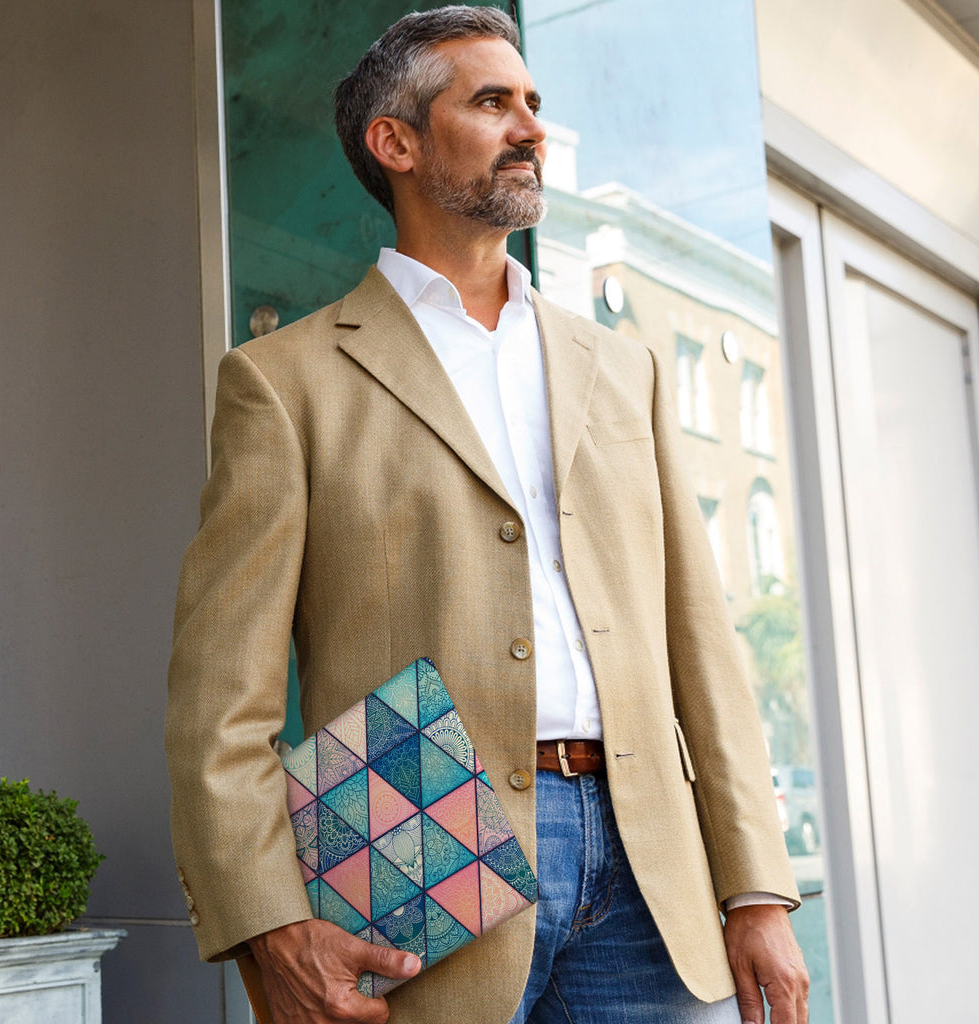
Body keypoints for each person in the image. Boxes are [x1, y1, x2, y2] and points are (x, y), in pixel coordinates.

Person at [165, 6, 809, 1024]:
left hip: (652, 866)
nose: (531, 126)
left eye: (535, 102)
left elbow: (699, 641)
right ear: (397, 143)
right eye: (491, 101)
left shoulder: (620, 364)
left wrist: (756, 885)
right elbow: (222, 703)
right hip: (421, 870)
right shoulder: (283, 385)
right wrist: (266, 920)